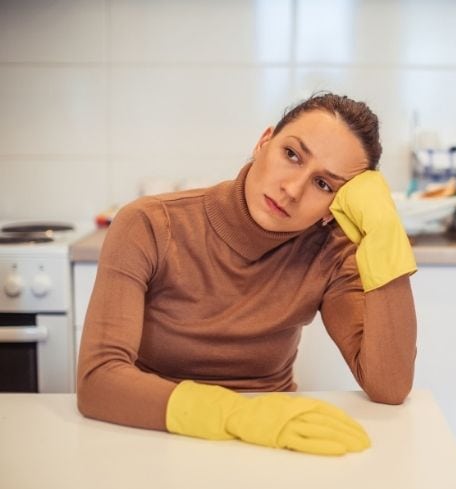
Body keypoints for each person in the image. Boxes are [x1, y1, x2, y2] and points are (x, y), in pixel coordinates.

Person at [77, 93, 418, 456]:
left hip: (271, 449)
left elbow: (390, 386)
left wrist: (384, 233)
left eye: (324, 184)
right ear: (263, 142)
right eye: (292, 155)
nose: (292, 189)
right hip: (151, 436)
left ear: (336, 204)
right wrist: (237, 414)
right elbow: (99, 379)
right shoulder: (149, 224)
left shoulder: (330, 250)